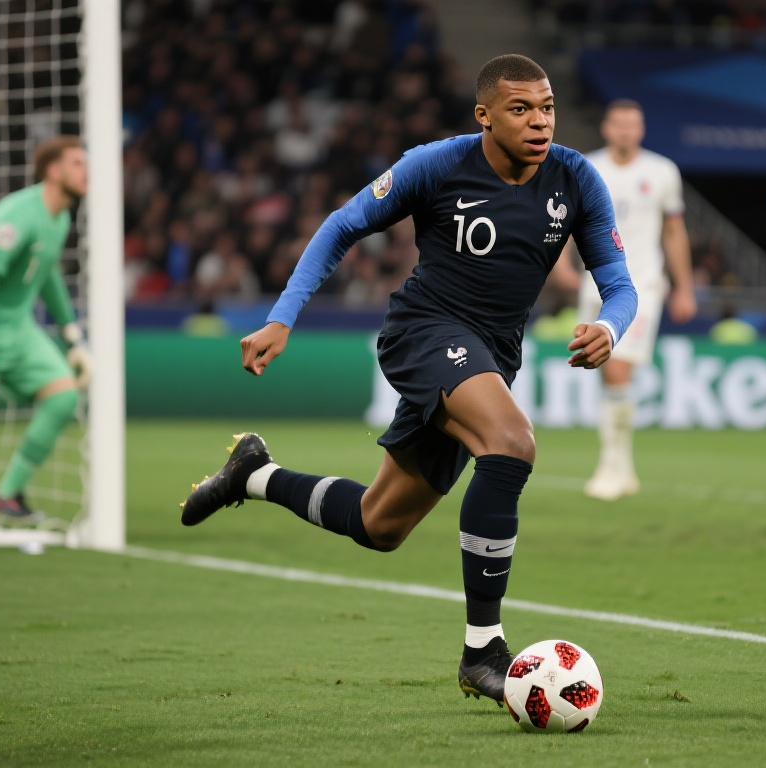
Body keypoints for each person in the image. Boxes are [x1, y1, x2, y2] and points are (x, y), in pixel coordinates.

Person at [180, 54, 638, 706]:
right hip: (424, 331)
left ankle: (252, 474)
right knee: (511, 443)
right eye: (520, 109)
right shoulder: (437, 164)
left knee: (380, 524)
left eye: (547, 108)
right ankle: (484, 650)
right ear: (484, 116)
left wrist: (611, 327)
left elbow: (619, 285)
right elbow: (341, 226)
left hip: (491, 356)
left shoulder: (576, 178)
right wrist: (282, 317)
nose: (539, 122)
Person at [556, 99, 695, 501]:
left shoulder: (662, 171)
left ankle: (611, 466)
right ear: (606, 127)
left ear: (641, 129)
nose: (625, 131)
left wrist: (684, 287)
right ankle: (623, 467)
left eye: (632, 124)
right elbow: (566, 219)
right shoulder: (586, 166)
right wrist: (561, 263)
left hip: (642, 285)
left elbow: (674, 231)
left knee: (617, 368)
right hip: (595, 283)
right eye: (619, 124)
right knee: (604, 369)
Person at [0, 135, 93, 522]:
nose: (87, 171)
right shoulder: (16, 217)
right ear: (53, 170)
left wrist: (71, 336)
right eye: (77, 163)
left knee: (63, 395)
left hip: (18, 330)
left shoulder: (59, 217)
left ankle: (7, 495)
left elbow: (47, 276)